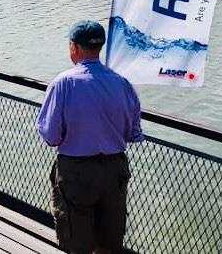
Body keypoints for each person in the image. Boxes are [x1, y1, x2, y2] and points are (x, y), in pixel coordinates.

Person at [37, 20, 144, 254]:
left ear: (73, 47)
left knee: (76, 240)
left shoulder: (63, 83)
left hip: (76, 171)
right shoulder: (123, 83)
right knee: (109, 239)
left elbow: (51, 135)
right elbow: (134, 133)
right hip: (114, 169)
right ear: (100, 47)